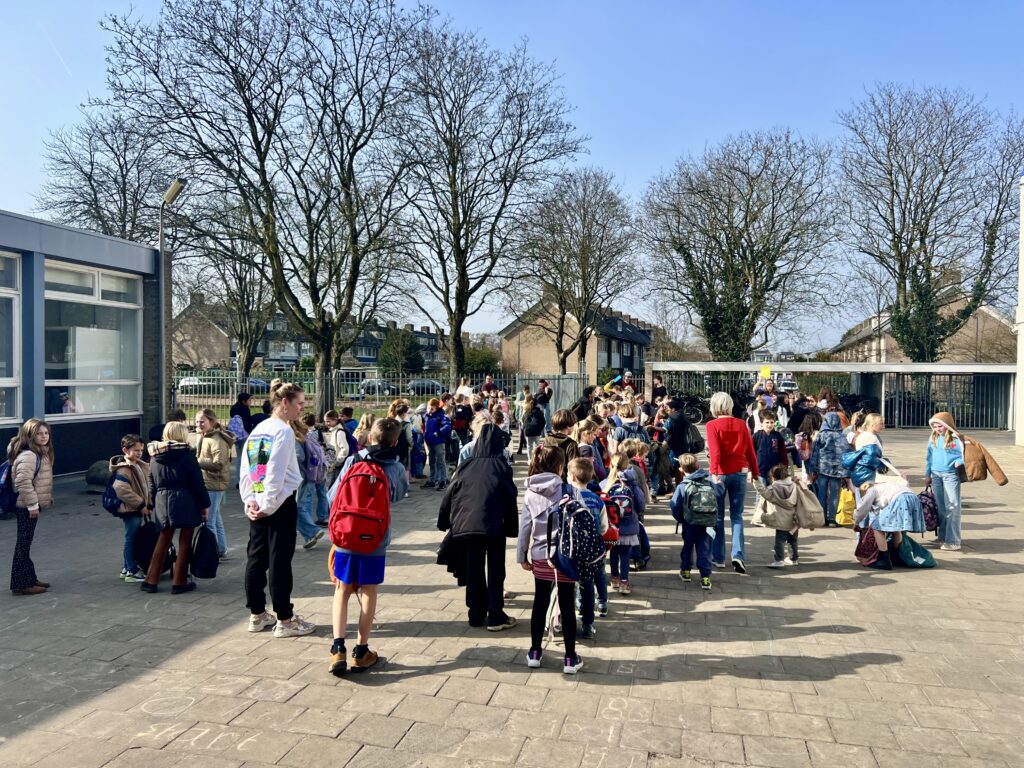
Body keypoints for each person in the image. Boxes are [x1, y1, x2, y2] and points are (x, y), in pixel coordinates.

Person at [328, 417, 409, 674]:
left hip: (346, 536)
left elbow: (333, 496)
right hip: (375, 538)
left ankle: (337, 648)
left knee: (342, 589)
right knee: (368, 591)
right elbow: (396, 496)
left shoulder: (354, 460)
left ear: (370, 437)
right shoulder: (395, 467)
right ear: (395, 442)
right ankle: (361, 650)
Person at [240, 379, 316, 638]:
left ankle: (257, 614)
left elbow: (248, 470)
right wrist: (268, 504)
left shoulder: (259, 428)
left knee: (256, 558)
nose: (301, 409)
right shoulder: (282, 431)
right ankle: (285, 619)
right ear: (285, 403)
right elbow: (274, 472)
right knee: (279, 561)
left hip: (258, 502)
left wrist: (250, 500)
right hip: (277, 503)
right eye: (299, 404)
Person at [438, 423, 519, 630]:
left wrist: (444, 521)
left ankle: (475, 613)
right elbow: (510, 497)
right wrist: (512, 528)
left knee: (474, 569)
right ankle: (495, 615)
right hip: (494, 526)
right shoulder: (501, 466)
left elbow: (450, 492)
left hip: (468, 526)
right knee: (495, 569)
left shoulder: (466, 465)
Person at [517, 445, 583, 674]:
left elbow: (525, 527)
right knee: (567, 605)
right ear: (560, 466)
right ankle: (569, 658)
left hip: (539, 557)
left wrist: (521, 555)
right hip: (565, 557)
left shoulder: (530, 492)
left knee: (540, 602)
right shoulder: (571, 490)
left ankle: (535, 651)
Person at [143, 421, 209, 594]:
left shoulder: (154, 455)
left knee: (163, 540)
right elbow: (197, 483)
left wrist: (151, 503)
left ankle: (151, 580)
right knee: (185, 540)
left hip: (163, 500)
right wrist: (204, 504)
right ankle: (179, 581)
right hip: (186, 499)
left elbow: (151, 482)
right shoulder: (187, 455)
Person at [705, 392, 759, 574]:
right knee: (737, 516)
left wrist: (713, 472)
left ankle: (719, 557)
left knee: (718, 516)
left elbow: (715, 452)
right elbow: (750, 451)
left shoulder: (712, 425)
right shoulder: (742, 424)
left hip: (720, 473)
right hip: (740, 472)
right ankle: (738, 555)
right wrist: (756, 473)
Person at [8, 419, 54, 596]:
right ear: (30, 435)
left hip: (29, 505)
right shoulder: (29, 455)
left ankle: (29, 577)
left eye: (46, 433)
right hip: (26, 506)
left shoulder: (39, 452)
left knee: (26, 543)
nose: (44, 437)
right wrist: (33, 505)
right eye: (39, 433)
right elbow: (22, 482)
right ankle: (21, 584)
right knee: (23, 544)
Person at [671, 453, 721, 590]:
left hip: (690, 523)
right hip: (707, 522)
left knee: (688, 546)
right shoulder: (709, 482)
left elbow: (675, 505)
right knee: (704, 548)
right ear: (698, 466)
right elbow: (717, 496)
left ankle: (686, 571)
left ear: (681, 469)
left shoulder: (683, 486)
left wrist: (681, 518)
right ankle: (705, 577)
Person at [854, 475, 924, 570]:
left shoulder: (872, 490)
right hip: (913, 498)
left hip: (900, 499)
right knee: (895, 526)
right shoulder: (886, 486)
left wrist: (857, 522)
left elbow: (863, 507)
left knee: (877, 526)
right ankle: (897, 555)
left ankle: (884, 560)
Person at [109, 434, 151, 582]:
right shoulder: (124, 469)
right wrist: (140, 504)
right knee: (131, 539)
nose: (139, 453)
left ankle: (126, 567)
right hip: (131, 510)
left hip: (138, 508)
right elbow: (122, 489)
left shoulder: (139, 465)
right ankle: (131, 570)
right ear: (125, 450)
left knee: (133, 538)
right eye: (136, 450)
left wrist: (148, 504)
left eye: (141, 450)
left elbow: (146, 486)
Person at [195, 408, 235, 558]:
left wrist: (198, 462)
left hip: (214, 484)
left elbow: (219, 464)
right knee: (215, 517)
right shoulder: (205, 436)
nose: (199, 424)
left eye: (202, 421)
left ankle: (211, 552)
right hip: (208, 482)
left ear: (212, 422)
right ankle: (220, 548)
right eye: (197, 421)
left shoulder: (217, 439)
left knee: (209, 520)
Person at [925, 412, 966, 552]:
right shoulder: (933, 437)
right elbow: (929, 457)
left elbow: (965, 456)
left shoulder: (956, 438)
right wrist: (927, 474)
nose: (937, 428)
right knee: (940, 508)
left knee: (952, 507)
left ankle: (953, 540)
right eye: (935, 426)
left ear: (947, 425)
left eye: (940, 426)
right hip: (936, 475)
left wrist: (959, 462)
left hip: (951, 476)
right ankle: (942, 536)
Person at [752, 465, 800, 568]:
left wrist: (756, 481)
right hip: (794, 519)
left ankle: (779, 560)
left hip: (780, 520)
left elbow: (764, 493)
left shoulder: (774, 489)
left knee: (780, 541)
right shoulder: (795, 486)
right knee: (793, 540)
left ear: (773, 477)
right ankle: (793, 558)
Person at [809, 412, 851, 526]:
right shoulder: (842, 436)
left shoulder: (821, 435)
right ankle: (832, 519)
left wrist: (812, 469)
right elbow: (846, 454)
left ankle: (822, 517)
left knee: (821, 492)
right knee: (834, 494)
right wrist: (846, 472)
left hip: (822, 468)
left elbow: (814, 453)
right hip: (837, 470)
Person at [293, 416, 327, 549]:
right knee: (300, 506)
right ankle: (309, 535)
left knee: (297, 507)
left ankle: (312, 531)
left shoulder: (295, 438)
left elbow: (298, 456)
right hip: (309, 474)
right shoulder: (306, 436)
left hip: (300, 476)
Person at [423, 398, 452, 490]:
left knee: (440, 461)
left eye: (432, 409)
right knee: (431, 461)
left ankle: (442, 480)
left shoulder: (441, 415)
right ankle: (432, 479)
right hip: (429, 441)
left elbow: (447, 425)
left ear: (436, 408)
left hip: (438, 441)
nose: (429, 410)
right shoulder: (427, 415)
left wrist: (439, 432)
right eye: (428, 408)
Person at [752, 410, 788, 482]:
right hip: (760, 471)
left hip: (775, 472)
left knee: (774, 492)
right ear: (762, 423)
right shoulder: (757, 436)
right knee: (761, 492)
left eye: (772, 422)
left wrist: (784, 466)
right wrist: (751, 469)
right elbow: (752, 453)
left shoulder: (778, 436)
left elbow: (783, 453)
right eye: (767, 422)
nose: (769, 425)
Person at [544, 409, 579, 479]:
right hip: (563, 481)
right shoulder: (571, 444)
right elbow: (574, 466)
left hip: (547, 479)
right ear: (568, 426)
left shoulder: (547, 440)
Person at [230, 392, 253, 479]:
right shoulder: (245, 409)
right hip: (244, 435)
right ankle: (244, 478)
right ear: (243, 401)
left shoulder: (234, 408)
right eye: (249, 400)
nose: (250, 402)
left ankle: (238, 479)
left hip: (235, 436)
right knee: (245, 458)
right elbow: (247, 424)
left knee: (239, 457)